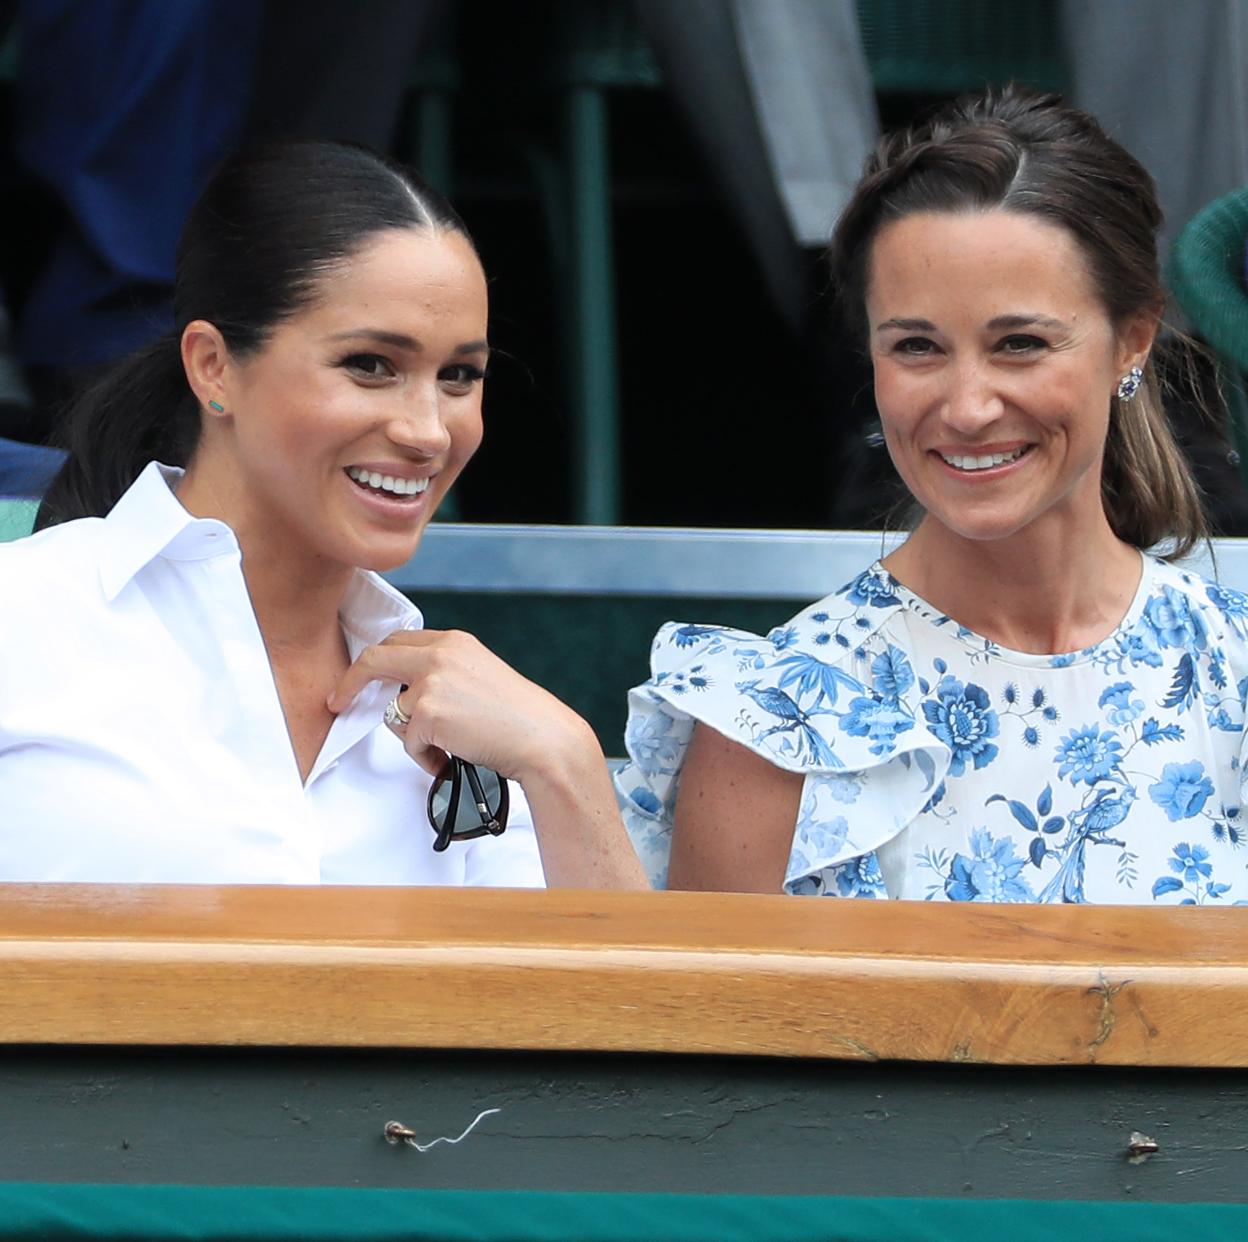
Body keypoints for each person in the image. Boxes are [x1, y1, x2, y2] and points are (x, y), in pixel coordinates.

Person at [616, 86, 1248, 905]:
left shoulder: (1232, 677)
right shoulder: (770, 721)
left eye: (1019, 344)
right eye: (917, 346)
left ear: (1133, 338)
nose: (968, 406)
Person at [0, 141, 646, 890]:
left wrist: (567, 762)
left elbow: (607, 1004)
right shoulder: (27, 615)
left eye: (460, 376)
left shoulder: (478, 711)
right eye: (371, 365)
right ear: (214, 365)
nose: (428, 430)